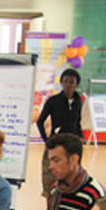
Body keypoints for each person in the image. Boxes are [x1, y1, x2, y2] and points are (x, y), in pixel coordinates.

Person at [36, 68, 83, 199]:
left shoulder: (78, 101)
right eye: (65, 81)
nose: (68, 85)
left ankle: (68, 201)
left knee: (72, 176)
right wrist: (47, 140)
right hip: (56, 143)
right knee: (50, 174)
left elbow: (78, 121)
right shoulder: (53, 100)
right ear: (61, 83)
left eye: (72, 82)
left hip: (73, 144)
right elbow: (40, 121)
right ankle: (50, 201)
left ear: (76, 85)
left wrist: (80, 139)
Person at [45, 132, 106, 210]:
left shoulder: (94, 193)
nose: (51, 166)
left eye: (56, 160)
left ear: (74, 160)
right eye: (50, 161)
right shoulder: (55, 190)